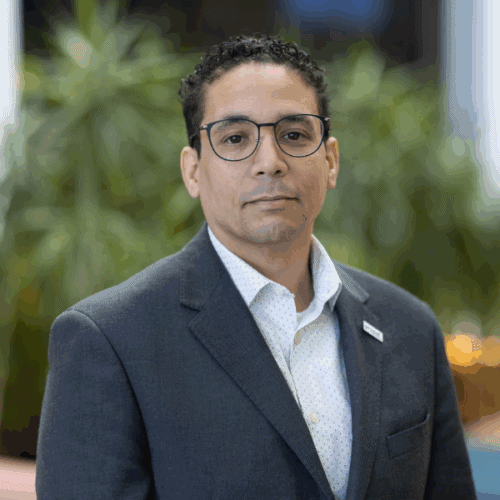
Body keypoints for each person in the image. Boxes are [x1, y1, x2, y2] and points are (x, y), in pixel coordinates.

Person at [36, 33, 477, 499]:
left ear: (330, 160)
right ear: (192, 170)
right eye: (235, 138)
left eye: (293, 135)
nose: (270, 162)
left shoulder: (409, 328)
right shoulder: (110, 341)